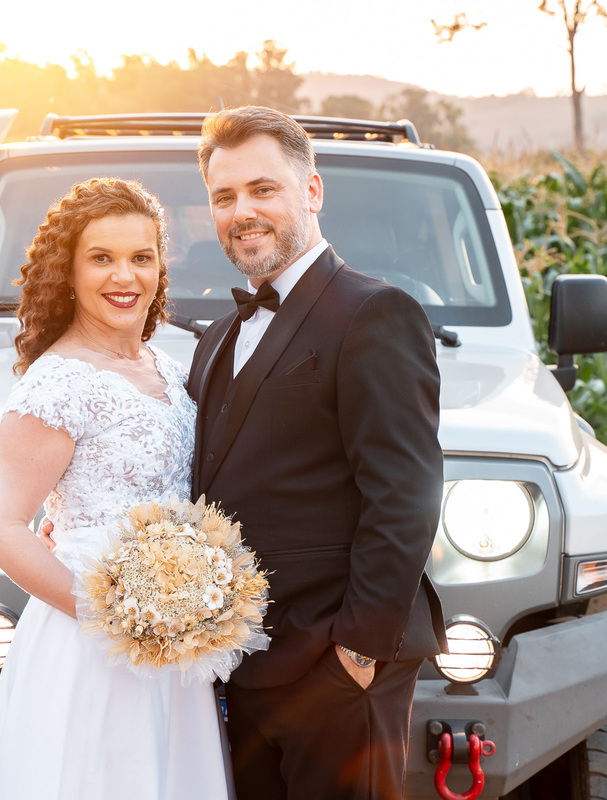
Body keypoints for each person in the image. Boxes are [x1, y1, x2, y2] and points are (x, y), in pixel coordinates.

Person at [188, 106, 447, 800]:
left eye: (263, 189)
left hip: (337, 670)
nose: (242, 211)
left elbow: (406, 494)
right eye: (224, 196)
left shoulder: (375, 313)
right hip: (243, 666)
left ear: (312, 191)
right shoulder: (215, 337)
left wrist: (357, 653)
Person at [0, 177, 230, 800]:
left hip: (174, 638)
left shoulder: (167, 367)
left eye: (142, 257)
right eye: (102, 258)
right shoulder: (58, 380)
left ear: (160, 267)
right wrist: (112, 614)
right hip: (91, 640)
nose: (125, 276)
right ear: (70, 271)